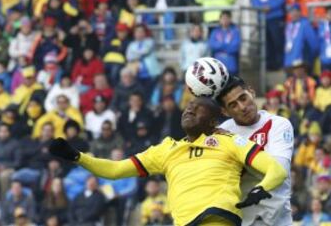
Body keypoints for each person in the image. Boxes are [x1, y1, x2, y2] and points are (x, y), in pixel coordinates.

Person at [50, 96, 287, 226]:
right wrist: (77, 157)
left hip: (217, 219)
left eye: (198, 108)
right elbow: (115, 170)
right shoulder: (166, 149)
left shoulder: (229, 141)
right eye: (188, 107)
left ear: (214, 121)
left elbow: (275, 170)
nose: (189, 110)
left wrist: (261, 189)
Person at [217, 76, 294, 226]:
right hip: (240, 219)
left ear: (251, 92)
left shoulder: (278, 124)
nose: (242, 107)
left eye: (243, 98)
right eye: (233, 105)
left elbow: (280, 169)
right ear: (225, 112)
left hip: (276, 219)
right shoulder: (223, 132)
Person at [251, 0, 289, 71]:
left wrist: (270, 6)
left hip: (275, 15)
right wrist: (258, 7)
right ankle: (267, 66)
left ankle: (279, 65)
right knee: (265, 42)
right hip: (262, 16)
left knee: (277, 41)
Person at [283, 4, 318, 69]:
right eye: (292, 11)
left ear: (300, 12)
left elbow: (313, 43)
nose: (294, 13)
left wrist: (309, 58)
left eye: (296, 11)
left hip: (301, 63)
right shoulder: (288, 25)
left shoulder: (305, 24)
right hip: (289, 62)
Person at [209, 11, 241, 75]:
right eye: (223, 18)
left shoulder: (235, 32)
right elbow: (212, 45)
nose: (225, 20)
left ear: (230, 19)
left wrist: (220, 46)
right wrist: (227, 45)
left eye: (227, 18)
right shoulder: (215, 31)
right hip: (218, 67)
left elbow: (235, 47)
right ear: (220, 20)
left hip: (231, 66)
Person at [317, 6, 331, 71]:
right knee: (325, 80)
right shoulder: (321, 26)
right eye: (329, 13)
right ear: (326, 15)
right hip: (324, 60)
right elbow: (318, 42)